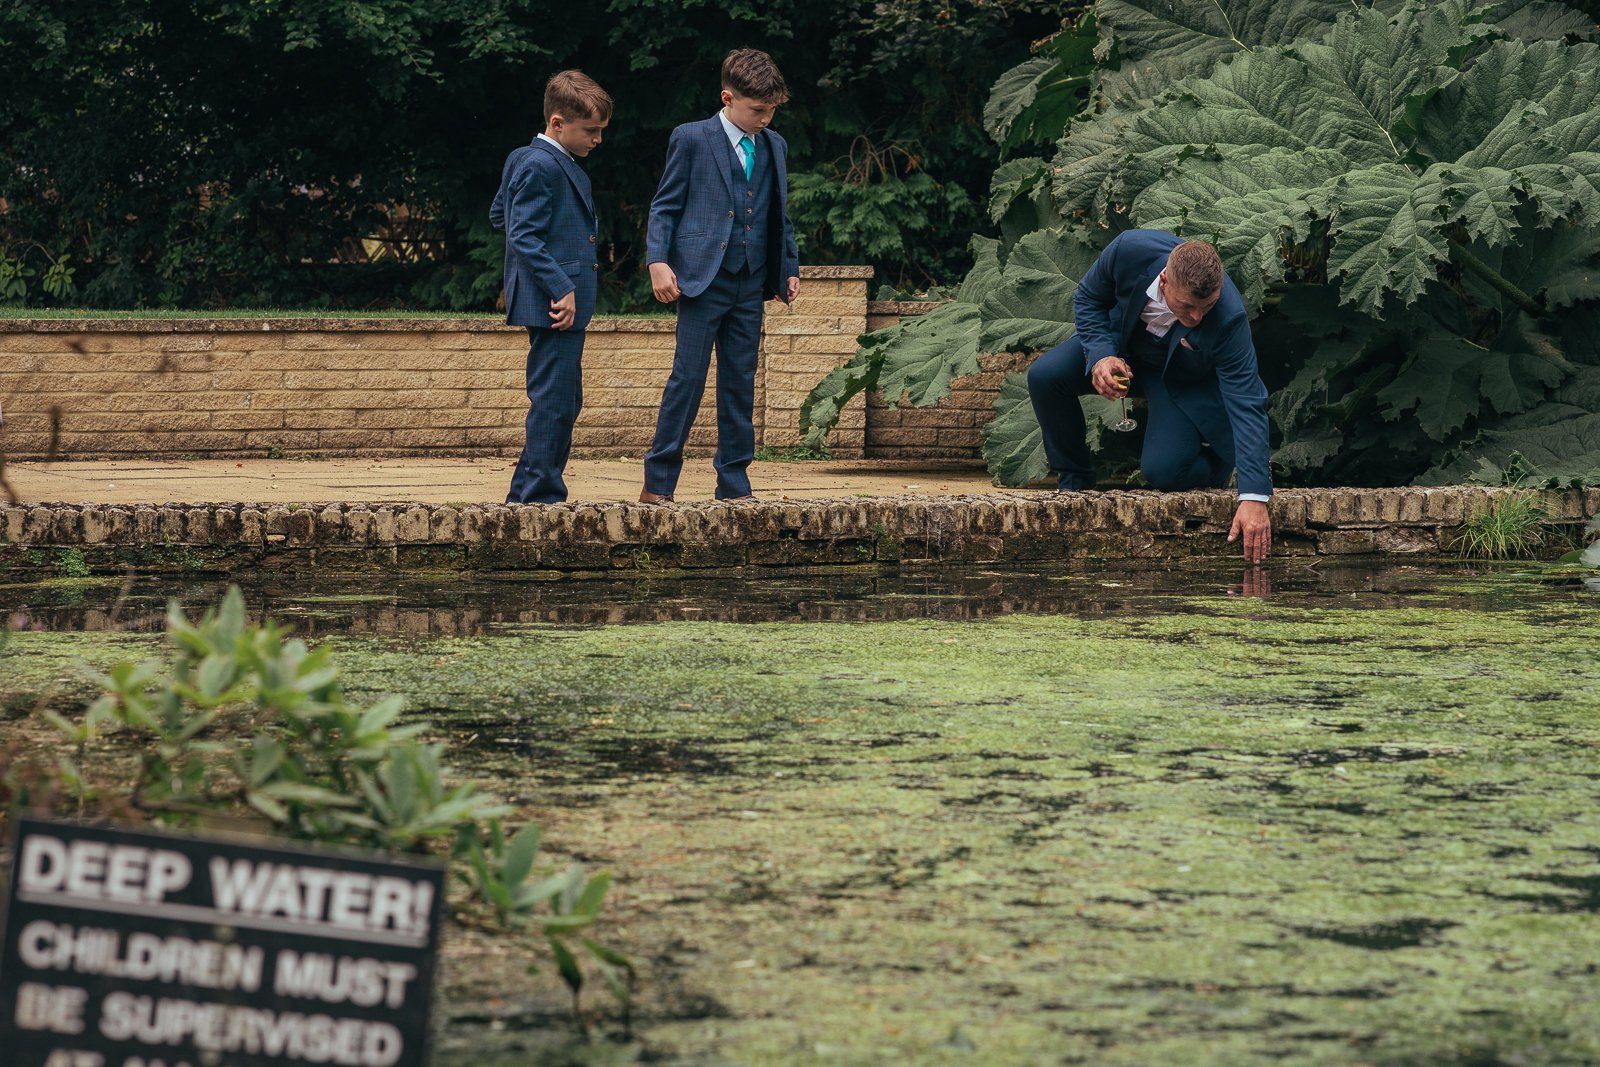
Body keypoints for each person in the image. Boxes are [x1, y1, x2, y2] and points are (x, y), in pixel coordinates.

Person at [1026, 230, 1273, 562]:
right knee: (1044, 377)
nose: (1197, 317)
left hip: (1177, 378)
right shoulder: (1129, 250)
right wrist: (1101, 355)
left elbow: (1247, 399)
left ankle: (1218, 465)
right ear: (1164, 281)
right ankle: (1075, 483)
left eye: (1207, 306)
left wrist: (1254, 496)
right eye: (1188, 306)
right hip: (1120, 346)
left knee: (1165, 473)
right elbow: (1089, 297)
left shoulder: (1228, 318)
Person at [637, 48, 801, 503]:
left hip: (752, 282)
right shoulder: (691, 138)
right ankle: (659, 482)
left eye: (771, 110)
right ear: (728, 97)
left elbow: (778, 215)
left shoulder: (775, 146)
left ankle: (734, 482)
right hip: (700, 279)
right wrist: (658, 261)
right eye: (758, 110)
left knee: (739, 382)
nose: (766, 119)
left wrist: (788, 268)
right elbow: (665, 205)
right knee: (686, 379)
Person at [492, 70, 611, 504]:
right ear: (558, 123)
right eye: (591, 131)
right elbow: (522, 234)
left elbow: (499, 216)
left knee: (563, 398)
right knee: (555, 402)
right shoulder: (542, 164)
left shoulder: (523, 158)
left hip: (551, 296)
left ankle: (527, 492)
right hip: (555, 302)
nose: (597, 139)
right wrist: (561, 285)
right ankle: (540, 497)